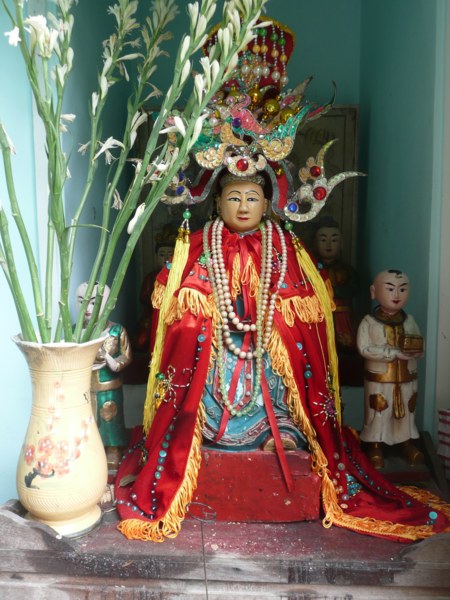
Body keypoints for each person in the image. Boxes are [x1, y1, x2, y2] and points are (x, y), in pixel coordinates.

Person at [114, 176, 449, 543]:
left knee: (279, 371)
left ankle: (281, 430)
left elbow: (307, 318)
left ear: (267, 204)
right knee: (208, 376)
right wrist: (212, 321)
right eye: (234, 198)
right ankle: (209, 431)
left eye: (253, 198)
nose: (244, 206)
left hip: (264, 348)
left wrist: (271, 328)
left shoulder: (285, 248)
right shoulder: (199, 246)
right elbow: (178, 313)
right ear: (218, 203)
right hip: (220, 345)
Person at [357, 270, 425, 469]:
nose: (396, 295)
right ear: (373, 292)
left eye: (402, 290)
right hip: (380, 379)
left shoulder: (409, 321)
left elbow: (419, 343)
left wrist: (416, 352)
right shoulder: (369, 322)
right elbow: (364, 348)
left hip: (407, 376)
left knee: (406, 410)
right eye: (390, 289)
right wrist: (393, 353)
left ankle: (406, 443)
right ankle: (375, 445)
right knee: (379, 411)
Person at [76, 282, 132, 472]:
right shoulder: (75, 330)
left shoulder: (117, 331)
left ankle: (112, 449)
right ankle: (89, 450)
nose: (88, 308)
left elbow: (126, 356)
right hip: (84, 385)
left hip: (109, 385)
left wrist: (110, 360)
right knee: (86, 419)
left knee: (110, 419)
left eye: (94, 303)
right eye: (83, 302)